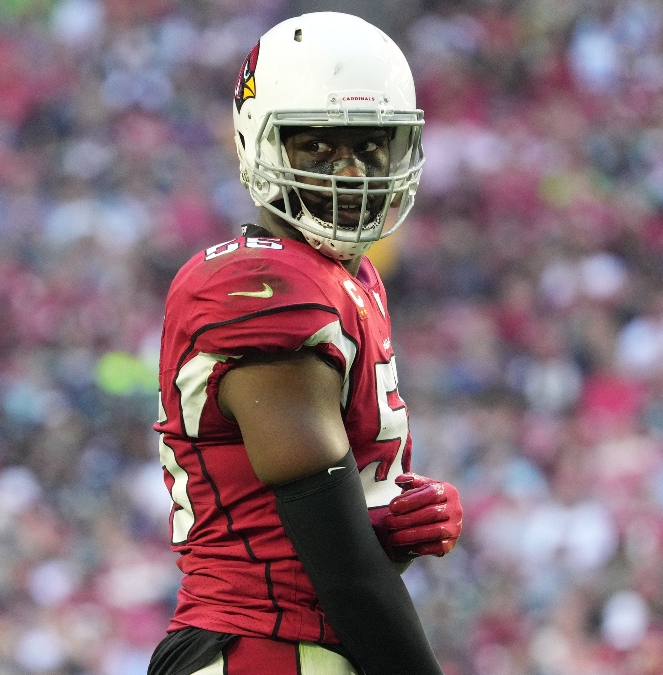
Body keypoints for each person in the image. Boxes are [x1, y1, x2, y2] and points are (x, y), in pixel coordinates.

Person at [150, 13, 463, 675]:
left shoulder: (349, 278)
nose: (351, 171)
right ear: (257, 142)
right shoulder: (257, 281)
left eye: (372, 145)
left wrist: (384, 526)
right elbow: (341, 570)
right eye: (318, 146)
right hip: (257, 649)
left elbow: (310, 536)